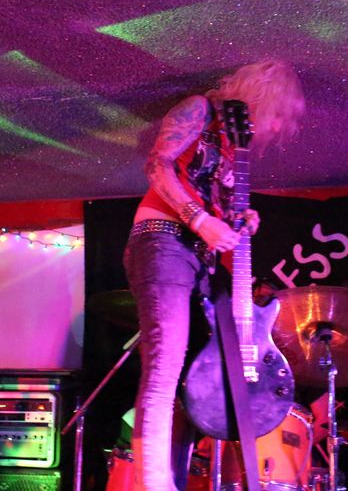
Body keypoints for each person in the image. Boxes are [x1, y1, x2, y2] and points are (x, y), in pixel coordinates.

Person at [124, 59, 305, 491]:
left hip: (199, 253)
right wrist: (200, 219)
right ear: (262, 97)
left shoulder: (232, 144)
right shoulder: (198, 109)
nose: (278, 128)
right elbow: (157, 165)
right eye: (279, 115)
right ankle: (152, 482)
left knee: (204, 370)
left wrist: (234, 217)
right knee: (165, 361)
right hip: (162, 237)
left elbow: (208, 195)